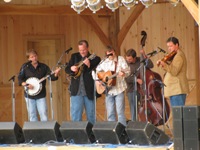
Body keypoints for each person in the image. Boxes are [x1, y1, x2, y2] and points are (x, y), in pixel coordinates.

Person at [18, 50, 61, 121]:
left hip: (41, 94)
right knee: (32, 114)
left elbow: (51, 77)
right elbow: (20, 78)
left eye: (35, 56)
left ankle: (44, 130)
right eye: (32, 57)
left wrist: (56, 74)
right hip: (29, 95)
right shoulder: (25, 67)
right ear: (28, 58)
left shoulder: (44, 67)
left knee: (43, 113)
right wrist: (26, 84)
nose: (34, 58)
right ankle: (34, 131)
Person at [65, 40, 101, 125]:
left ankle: (92, 136)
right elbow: (67, 68)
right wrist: (71, 68)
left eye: (84, 50)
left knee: (91, 116)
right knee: (76, 116)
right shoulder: (74, 57)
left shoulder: (94, 58)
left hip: (89, 90)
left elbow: (97, 70)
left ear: (87, 48)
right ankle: (77, 136)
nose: (82, 52)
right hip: (77, 90)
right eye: (80, 50)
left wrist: (89, 65)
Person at [95, 46, 130, 126]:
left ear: (114, 51)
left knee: (120, 112)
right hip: (108, 90)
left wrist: (123, 73)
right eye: (109, 54)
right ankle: (113, 132)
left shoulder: (120, 59)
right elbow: (96, 72)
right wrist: (98, 80)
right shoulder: (104, 62)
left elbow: (128, 71)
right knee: (110, 113)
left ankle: (122, 132)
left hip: (119, 89)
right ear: (106, 54)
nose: (111, 55)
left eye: (112, 53)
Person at [157, 37, 189, 107]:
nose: (169, 48)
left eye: (171, 46)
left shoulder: (179, 56)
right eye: (168, 46)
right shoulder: (175, 55)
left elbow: (174, 71)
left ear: (177, 45)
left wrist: (164, 65)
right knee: (176, 114)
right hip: (175, 90)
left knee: (178, 115)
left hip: (177, 90)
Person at [125, 48, 154, 121]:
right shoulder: (125, 64)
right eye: (127, 59)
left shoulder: (140, 60)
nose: (128, 61)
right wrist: (136, 80)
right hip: (131, 89)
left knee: (144, 108)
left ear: (135, 58)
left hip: (143, 89)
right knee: (133, 109)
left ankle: (145, 124)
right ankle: (134, 125)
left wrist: (144, 55)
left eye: (130, 59)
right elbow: (126, 78)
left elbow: (151, 65)